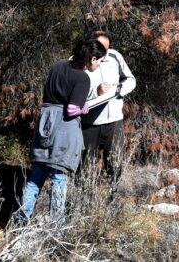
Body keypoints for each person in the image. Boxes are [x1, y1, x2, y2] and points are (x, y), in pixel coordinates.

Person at [15, 37, 107, 224]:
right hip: (64, 127)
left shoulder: (57, 66)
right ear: (92, 59)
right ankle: (56, 224)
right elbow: (72, 109)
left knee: (37, 175)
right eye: (100, 60)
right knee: (59, 176)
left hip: (46, 122)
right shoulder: (82, 77)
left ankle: (20, 219)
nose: (99, 65)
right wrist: (85, 108)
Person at [81, 30, 136, 179]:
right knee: (85, 166)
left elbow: (130, 80)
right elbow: (74, 93)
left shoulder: (115, 56)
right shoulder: (80, 61)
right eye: (101, 48)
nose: (104, 53)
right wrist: (96, 91)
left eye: (107, 48)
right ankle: (82, 199)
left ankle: (114, 198)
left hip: (114, 121)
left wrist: (118, 90)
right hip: (90, 122)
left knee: (115, 163)